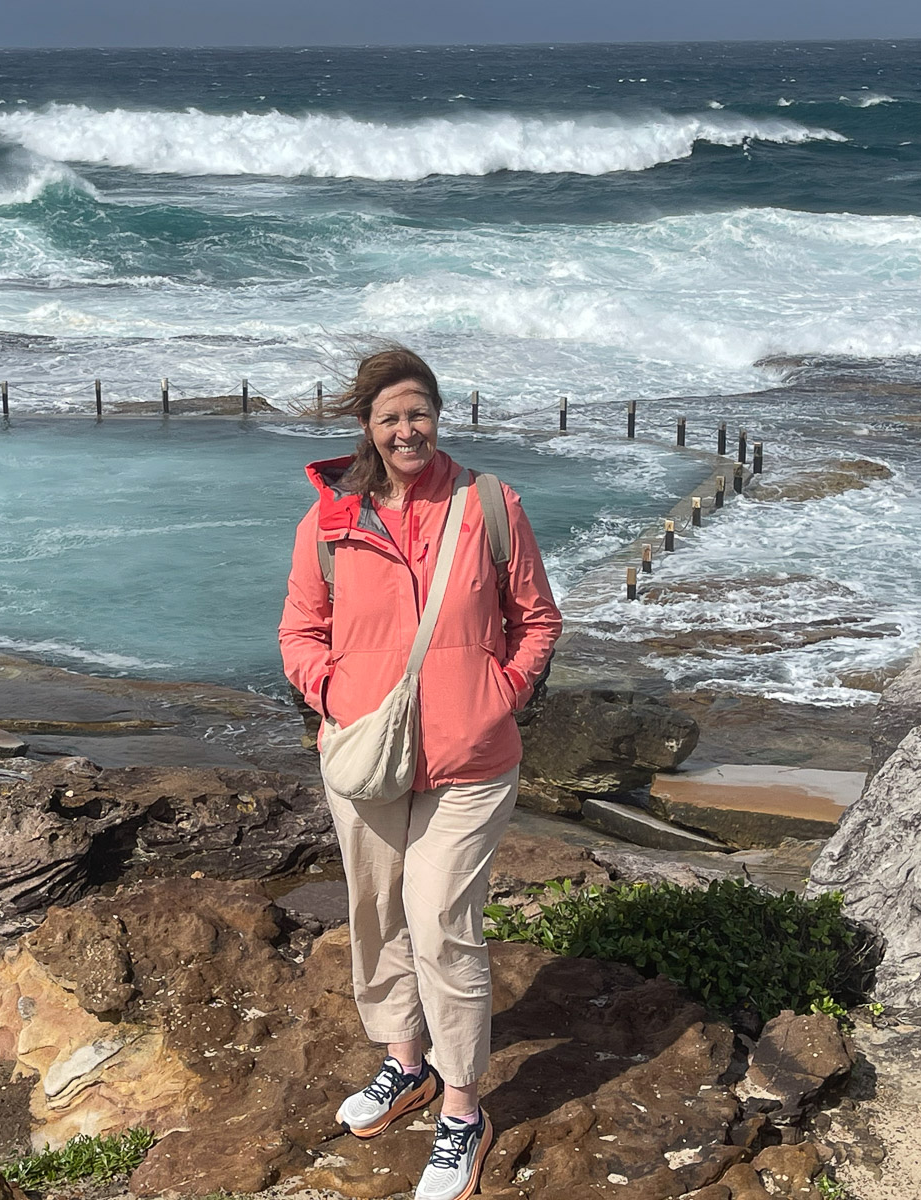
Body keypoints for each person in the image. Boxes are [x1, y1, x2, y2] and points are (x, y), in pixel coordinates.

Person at [278, 346, 563, 1200]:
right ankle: (407, 1065)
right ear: (366, 425)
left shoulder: (489, 504)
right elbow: (299, 633)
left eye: (420, 412)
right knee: (376, 916)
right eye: (390, 416)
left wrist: (498, 693)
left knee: (440, 920)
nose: (408, 429)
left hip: (470, 760)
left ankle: (464, 1110)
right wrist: (335, 698)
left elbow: (538, 619)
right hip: (365, 755)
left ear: (439, 416)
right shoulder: (329, 520)